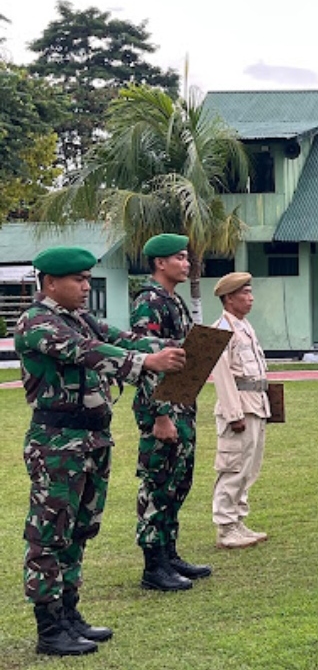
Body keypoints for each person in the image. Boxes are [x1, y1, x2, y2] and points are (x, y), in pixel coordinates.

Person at [15, 246, 186, 656]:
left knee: (78, 532)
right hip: (57, 443)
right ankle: (49, 627)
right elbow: (85, 351)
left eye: (88, 279)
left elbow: (121, 338)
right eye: (78, 280)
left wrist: (173, 347)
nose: (85, 287)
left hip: (92, 440)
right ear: (50, 282)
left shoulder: (79, 318)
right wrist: (146, 362)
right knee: (50, 534)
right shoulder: (37, 322)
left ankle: (69, 613)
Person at [130, 233, 211, 590]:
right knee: (158, 485)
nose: (186, 263)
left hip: (181, 403)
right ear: (160, 263)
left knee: (178, 483)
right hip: (162, 410)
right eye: (179, 257)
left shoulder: (174, 301)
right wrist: (160, 416)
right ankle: (153, 566)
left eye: (186, 257)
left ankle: (169, 554)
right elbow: (148, 363)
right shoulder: (149, 302)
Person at [209, 272, 271, 549]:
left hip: (255, 404)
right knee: (233, 467)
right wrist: (234, 415)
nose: (251, 298)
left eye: (250, 292)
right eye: (244, 293)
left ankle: (237, 520)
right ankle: (226, 527)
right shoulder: (221, 329)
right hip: (238, 409)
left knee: (248, 468)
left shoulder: (244, 326)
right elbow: (222, 376)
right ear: (229, 298)